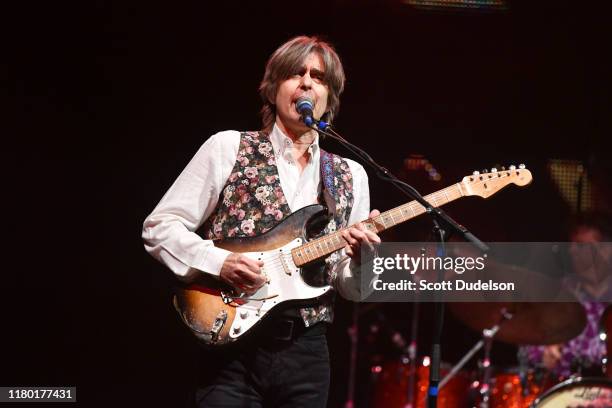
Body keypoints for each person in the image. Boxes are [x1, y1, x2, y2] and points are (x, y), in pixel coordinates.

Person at [142, 36, 381, 407]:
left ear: (329, 98)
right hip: (231, 347)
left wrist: (364, 261)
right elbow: (160, 227)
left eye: (318, 77)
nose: (305, 83)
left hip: (307, 353)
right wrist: (220, 262)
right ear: (272, 90)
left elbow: (350, 287)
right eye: (294, 74)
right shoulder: (228, 147)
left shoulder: (351, 174)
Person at [520, 212, 612, 379]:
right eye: (572, 246)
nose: (574, 252)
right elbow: (526, 351)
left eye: (583, 246)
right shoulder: (557, 294)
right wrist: (543, 357)